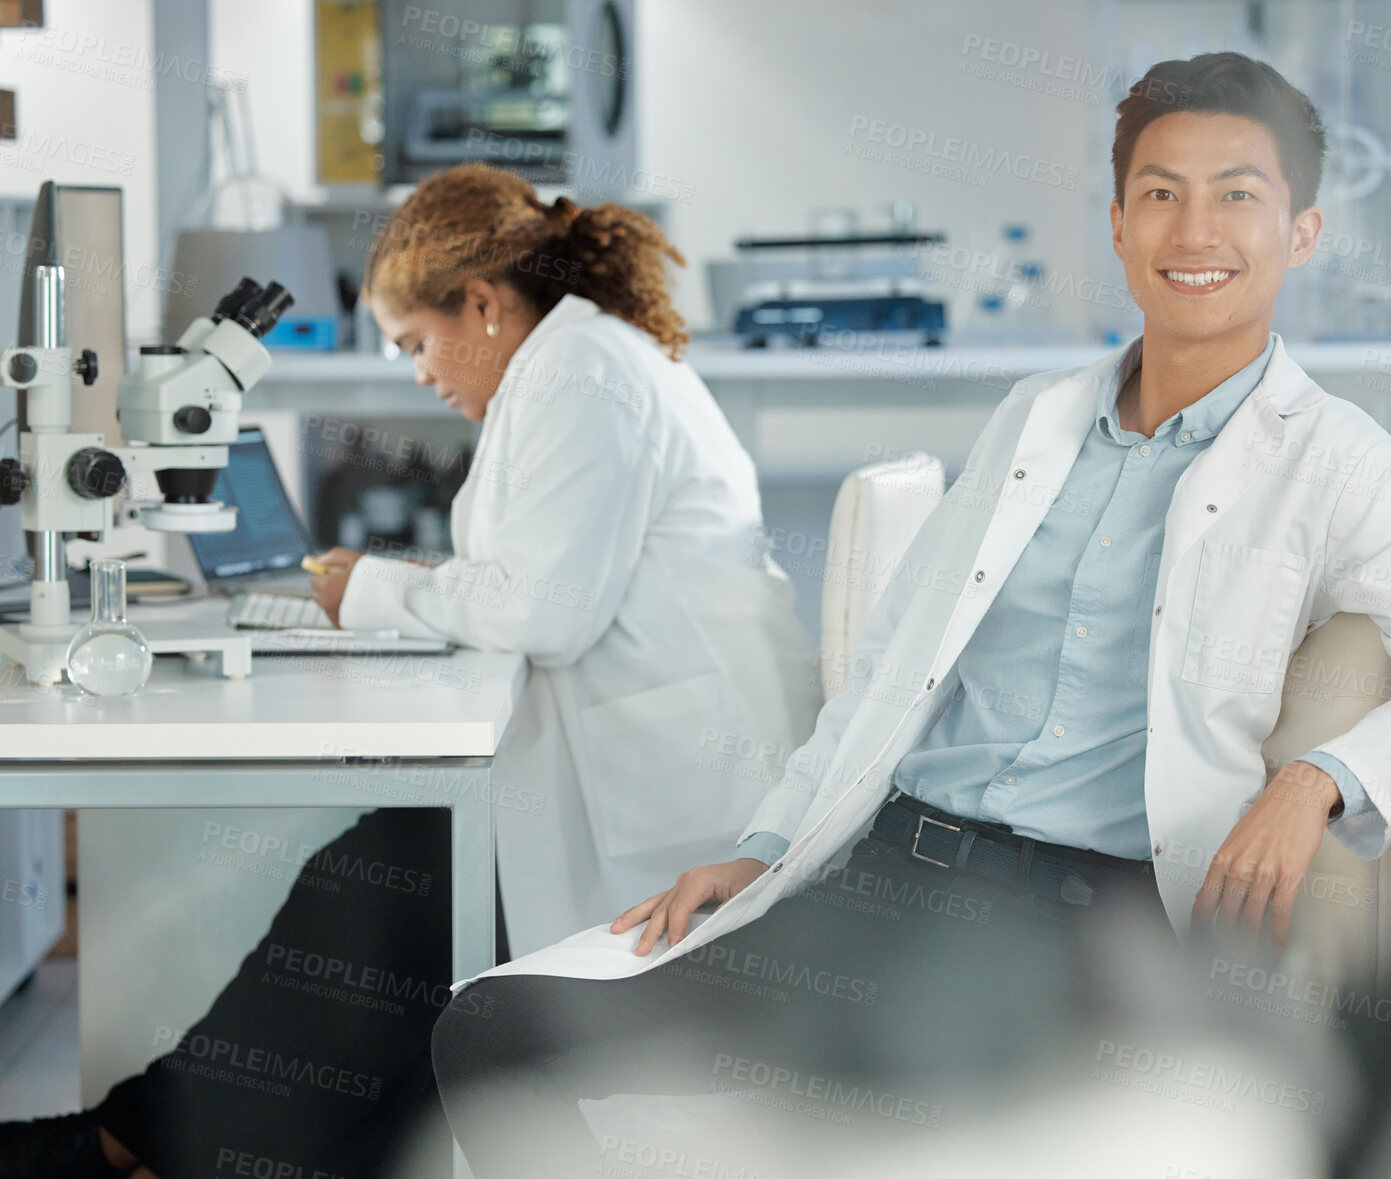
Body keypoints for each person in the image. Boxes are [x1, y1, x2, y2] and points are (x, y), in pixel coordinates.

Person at [430, 53, 1391, 1176]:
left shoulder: (1340, 460)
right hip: (891, 871)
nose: (1193, 229)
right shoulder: (1036, 420)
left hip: (1089, 926)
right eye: (1161, 193)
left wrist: (1317, 783)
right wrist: (767, 848)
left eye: (1238, 195)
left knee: (883, 1104)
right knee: (487, 1031)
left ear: (1302, 231)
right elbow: (888, 675)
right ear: (1118, 225)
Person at [0, 164, 821, 1179]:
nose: (418, 375)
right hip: (629, 766)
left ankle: (125, 1144)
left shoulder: (582, 373)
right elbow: (527, 582)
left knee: (380, 894)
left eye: (415, 343)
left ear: (481, 303)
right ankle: (145, 1143)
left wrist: (379, 594)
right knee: (382, 897)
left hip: (687, 802)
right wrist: (397, 589)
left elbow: (545, 615)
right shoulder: (566, 367)